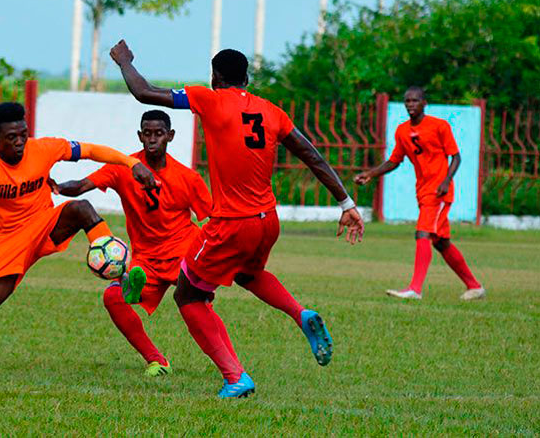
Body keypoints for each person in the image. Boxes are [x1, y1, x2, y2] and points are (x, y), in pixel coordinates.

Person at [109, 40, 365, 398]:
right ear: (246, 77)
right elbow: (312, 155)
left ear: (215, 77)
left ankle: (235, 377)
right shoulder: (271, 111)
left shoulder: (208, 99)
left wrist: (125, 62)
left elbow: (143, 92)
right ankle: (300, 313)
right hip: (268, 221)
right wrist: (346, 202)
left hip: (232, 222)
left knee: (188, 297)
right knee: (248, 274)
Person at [0, 102, 157, 371]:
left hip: (45, 223)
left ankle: (121, 275)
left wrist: (131, 162)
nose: (20, 142)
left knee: (81, 208)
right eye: (11, 138)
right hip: (9, 241)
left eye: (23, 134)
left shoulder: (43, 148)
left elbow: (89, 150)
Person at [51, 109, 212, 377]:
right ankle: (156, 360)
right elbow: (81, 186)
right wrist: (56, 186)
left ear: (170, 136)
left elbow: (212, 220)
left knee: (198, 306)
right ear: (139, 135)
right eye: (147, 134)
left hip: (183, 251)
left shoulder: (188, 178)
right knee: (112, 297)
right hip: (146, 258)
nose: (152, 140)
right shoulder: (122, 168)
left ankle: (228, 367)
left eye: (158, 134)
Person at [354, 87, 485, 301]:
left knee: (422, 233)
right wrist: (370, 174)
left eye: (415, 100)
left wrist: (445, 181)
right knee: (441, 242)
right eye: (407, 101)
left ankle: (415, 289)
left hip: (439, 192)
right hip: (423, 191)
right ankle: (474, 286)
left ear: (424, 103)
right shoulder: (402, 131)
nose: (410, 104)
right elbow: (394, 161)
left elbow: (456, 157)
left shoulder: (439, 126)